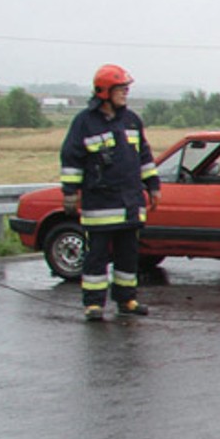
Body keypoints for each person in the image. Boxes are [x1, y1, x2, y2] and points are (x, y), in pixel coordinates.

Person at [60, 64, 159, 321]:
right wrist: (70, 192)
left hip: (130, 203)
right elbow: (71, 158)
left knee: (128, 256)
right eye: (121, 89)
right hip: (100, 204)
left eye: (127, 89)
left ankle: (127, 299)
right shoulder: (84, 123)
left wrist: (154, 186)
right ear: (104, 91)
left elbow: (145, 157)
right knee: (97, 257)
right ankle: (94, 304)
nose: (126, 93)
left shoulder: (131, 121)